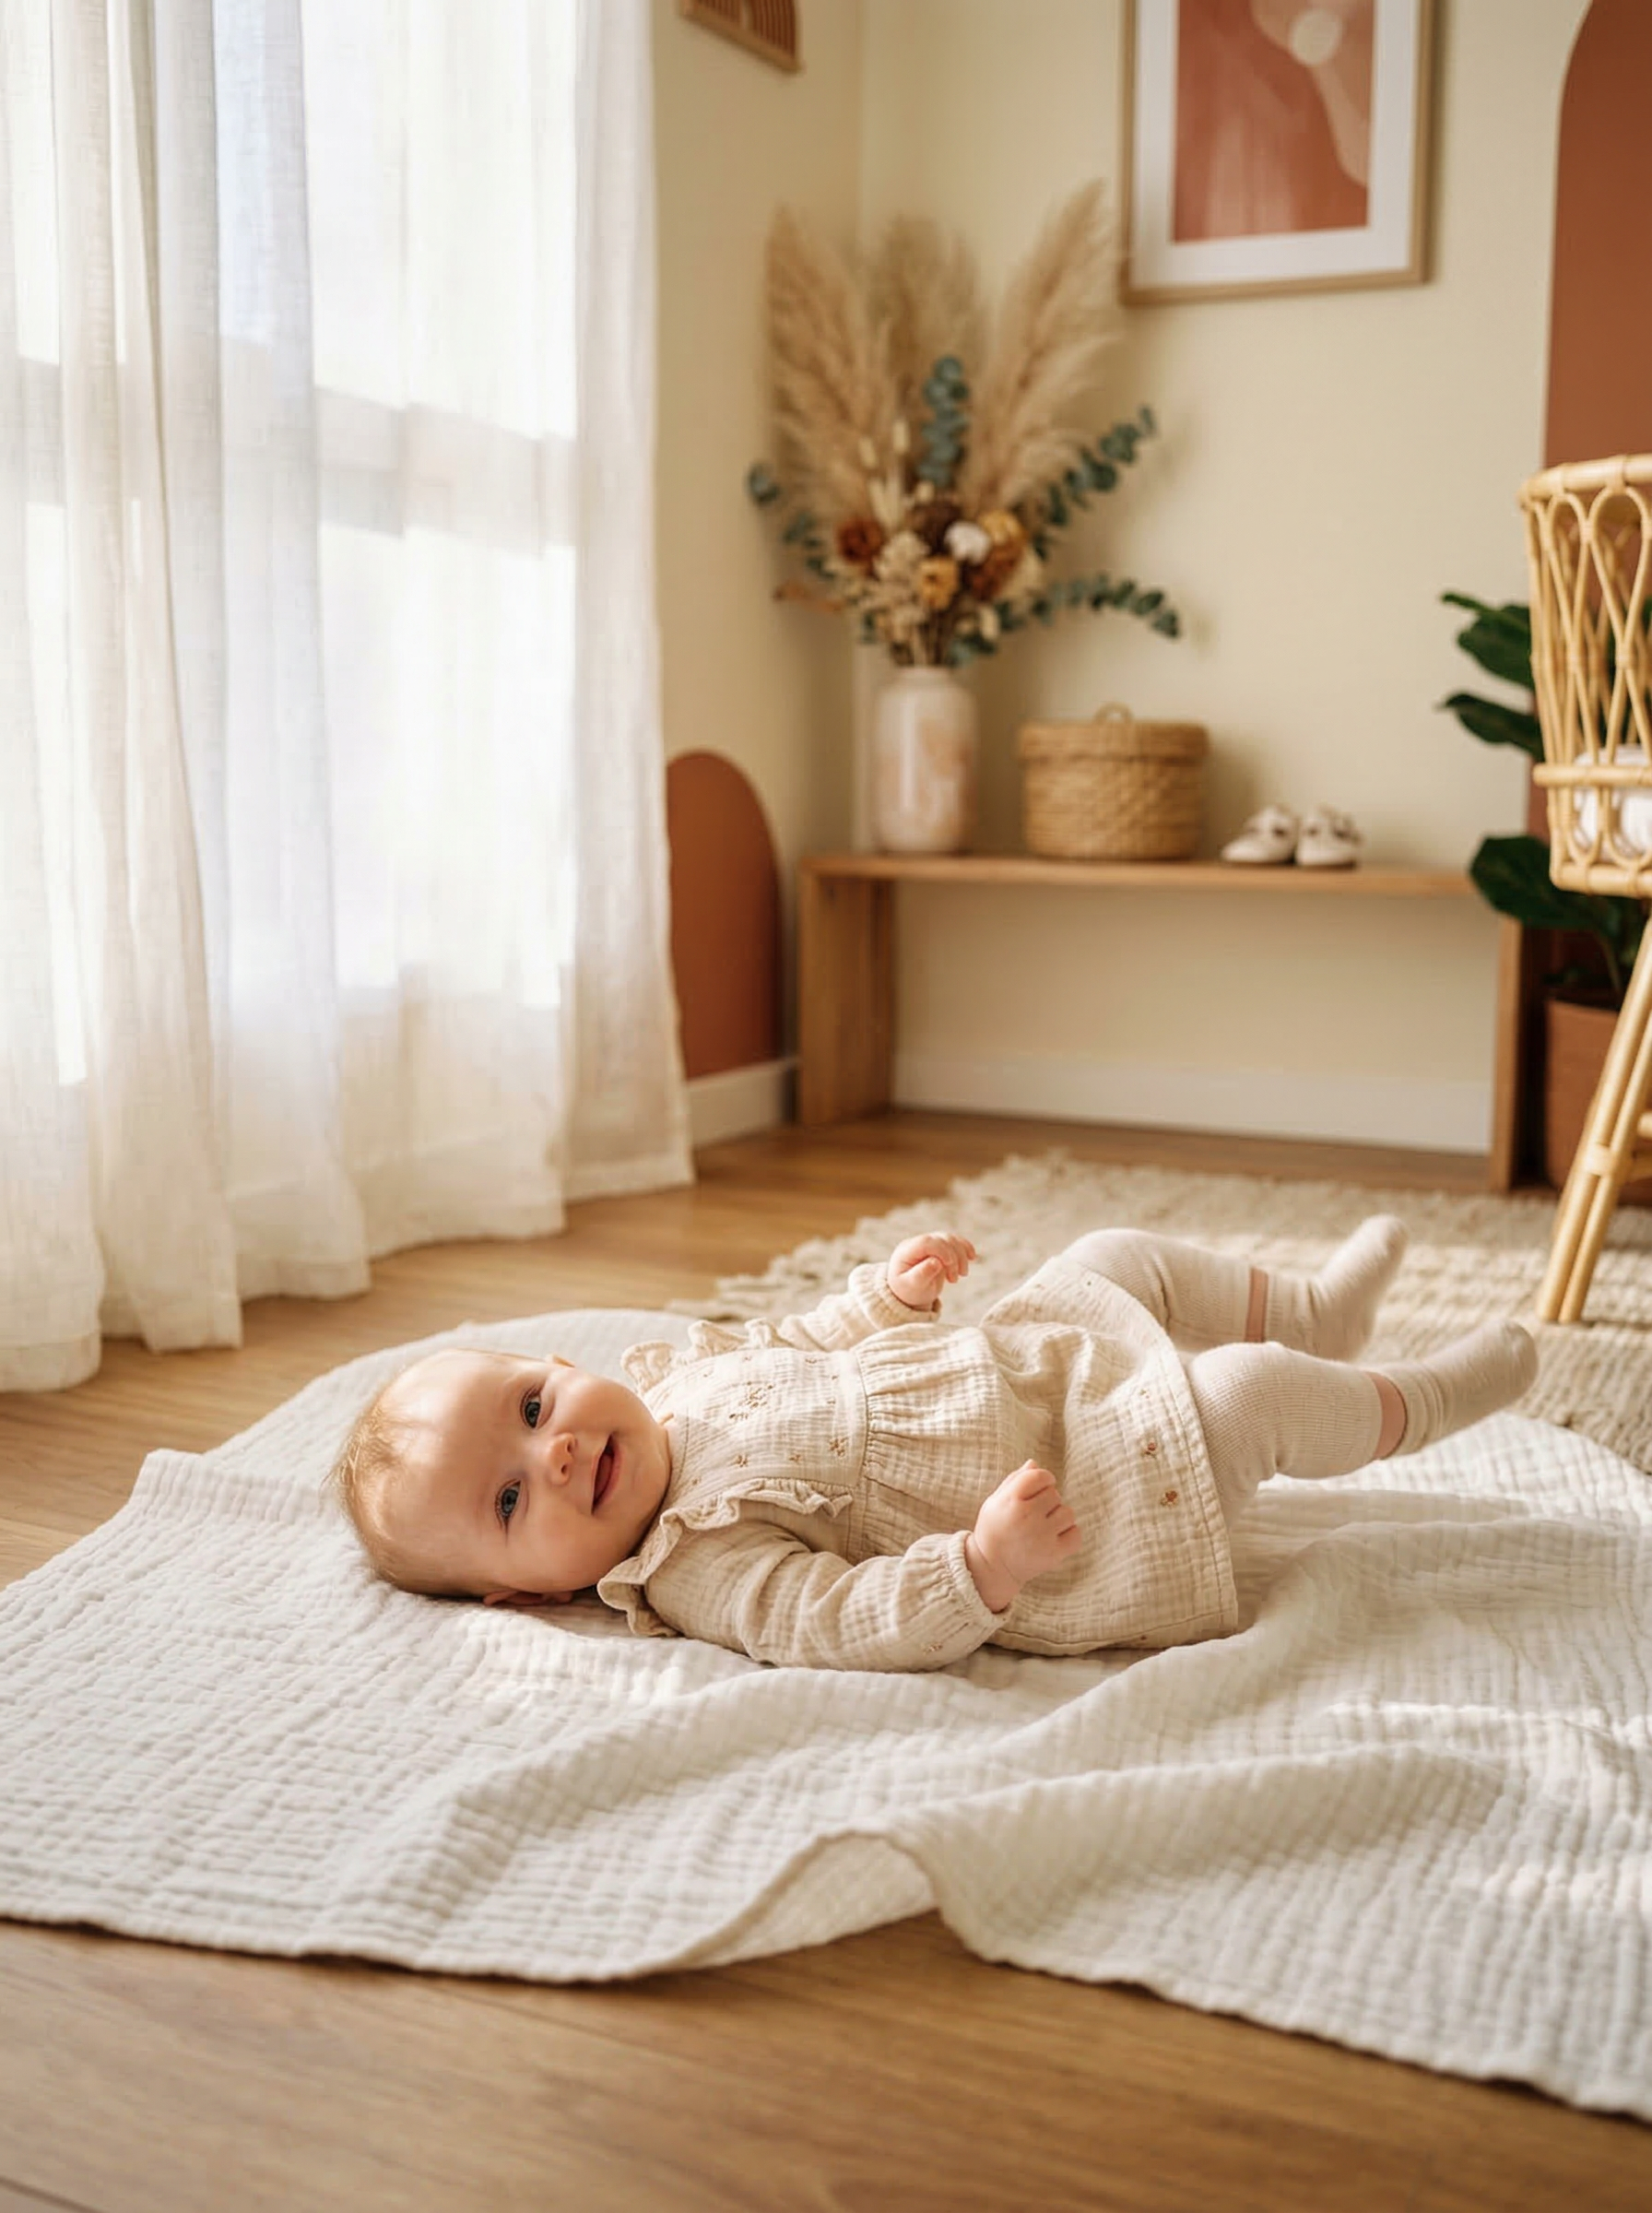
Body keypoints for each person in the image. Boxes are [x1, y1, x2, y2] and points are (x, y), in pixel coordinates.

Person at [328, 1219, 1538, 1671]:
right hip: (1086, 1493)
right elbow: (838, 1620)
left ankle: (1320, 1309)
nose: (549, 1456)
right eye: (505, 1502)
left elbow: (805, 1335)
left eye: (534, 1408)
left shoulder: (682, 1375)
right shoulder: (697, 1565)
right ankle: (1425, 1399)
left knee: (1121, 1259)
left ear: (560, 1372)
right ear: (515, 1593)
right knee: (1246, 1395)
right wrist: (985, 1568)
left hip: (1018, 1366)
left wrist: (888, 1297)